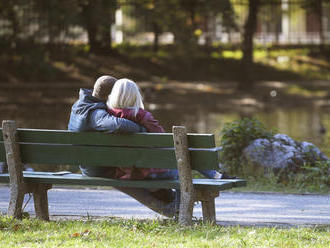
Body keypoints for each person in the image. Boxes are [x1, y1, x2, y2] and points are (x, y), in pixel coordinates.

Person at [68, 75, 178, 217]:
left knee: (137, 173)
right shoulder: (96, 113)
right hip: (99, 168)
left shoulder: (80, 105)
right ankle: (171, 208)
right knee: (134, 174)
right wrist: (142, 130)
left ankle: (171, 207)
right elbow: (119, 124)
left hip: (91, 163)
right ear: (111, 95)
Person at [106, 78, 223, 180]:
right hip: (149, 172)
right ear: (135, 95)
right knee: (185, 152)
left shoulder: (107, 117)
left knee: (183, 152)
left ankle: (215, 175)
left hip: (123, 173)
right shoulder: (143, 116)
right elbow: (165, 140)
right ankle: (215, 176)